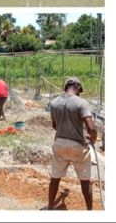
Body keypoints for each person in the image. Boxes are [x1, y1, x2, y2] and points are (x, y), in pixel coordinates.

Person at [46, 77, 97, 210]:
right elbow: (91, 128)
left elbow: (55, 126)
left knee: (55, 178)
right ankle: (90, 211)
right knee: (85, 181)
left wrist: (66, 134)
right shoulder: (81, 103)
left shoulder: (54, 103)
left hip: (59, 144)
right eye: (80, 90)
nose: (80, 92)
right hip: (77, 147)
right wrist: (93, 137)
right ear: (77, 86)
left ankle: (50, 207)